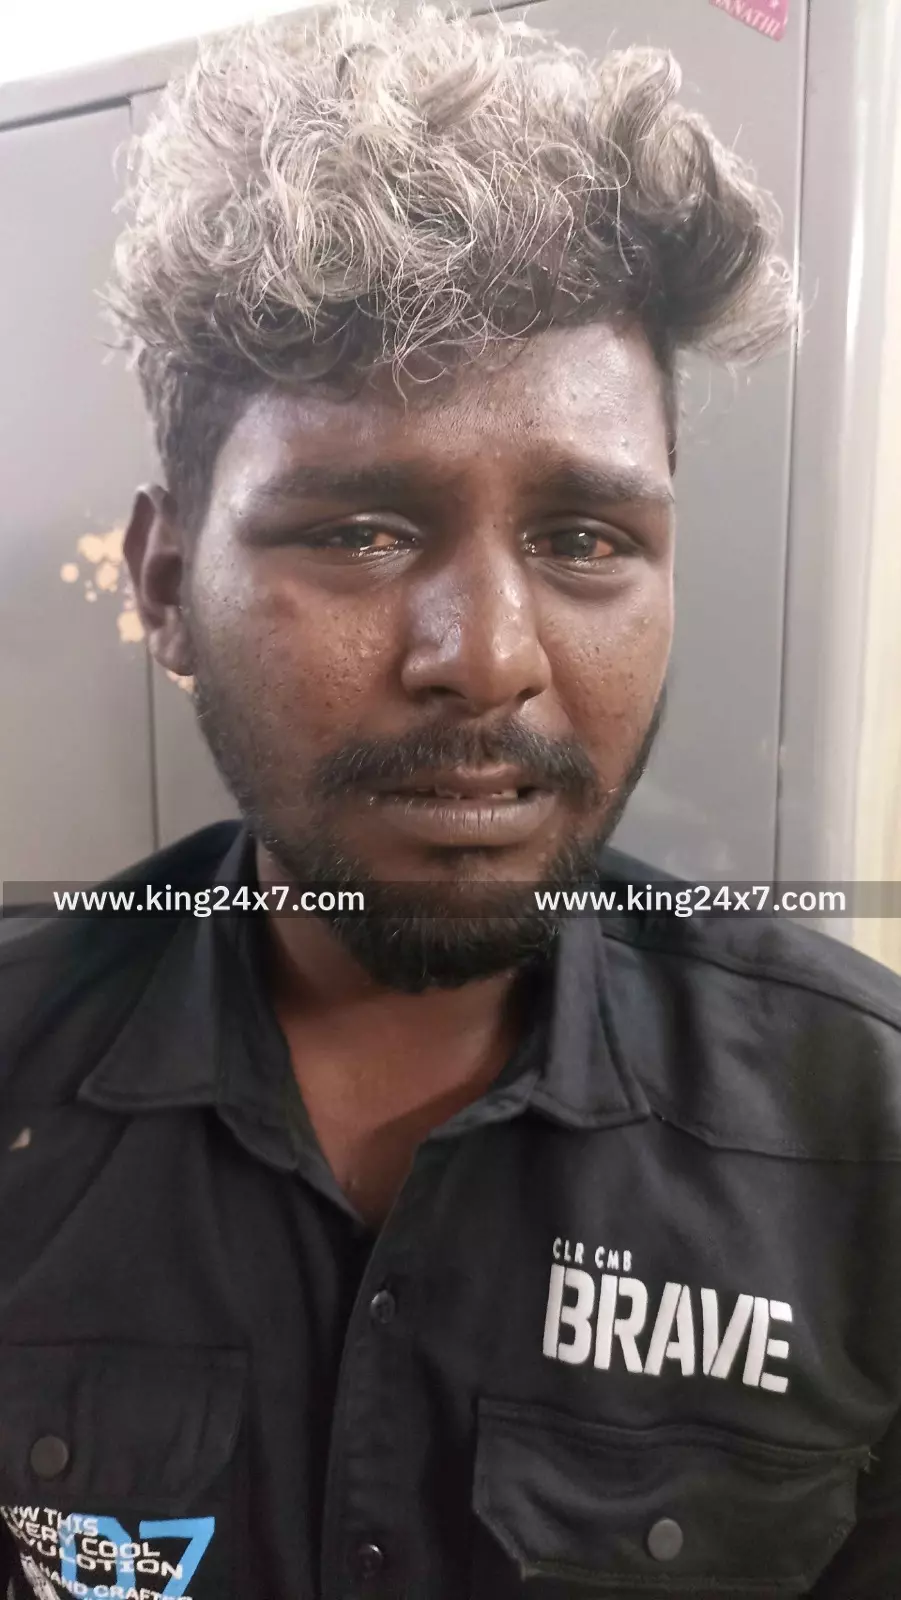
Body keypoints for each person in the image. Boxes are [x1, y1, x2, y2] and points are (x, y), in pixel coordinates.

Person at [1, 2, 900, 1596]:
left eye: (583, 540)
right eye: (360, 531)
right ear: (165, 584)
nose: (486, 660)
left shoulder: (863, 1135)